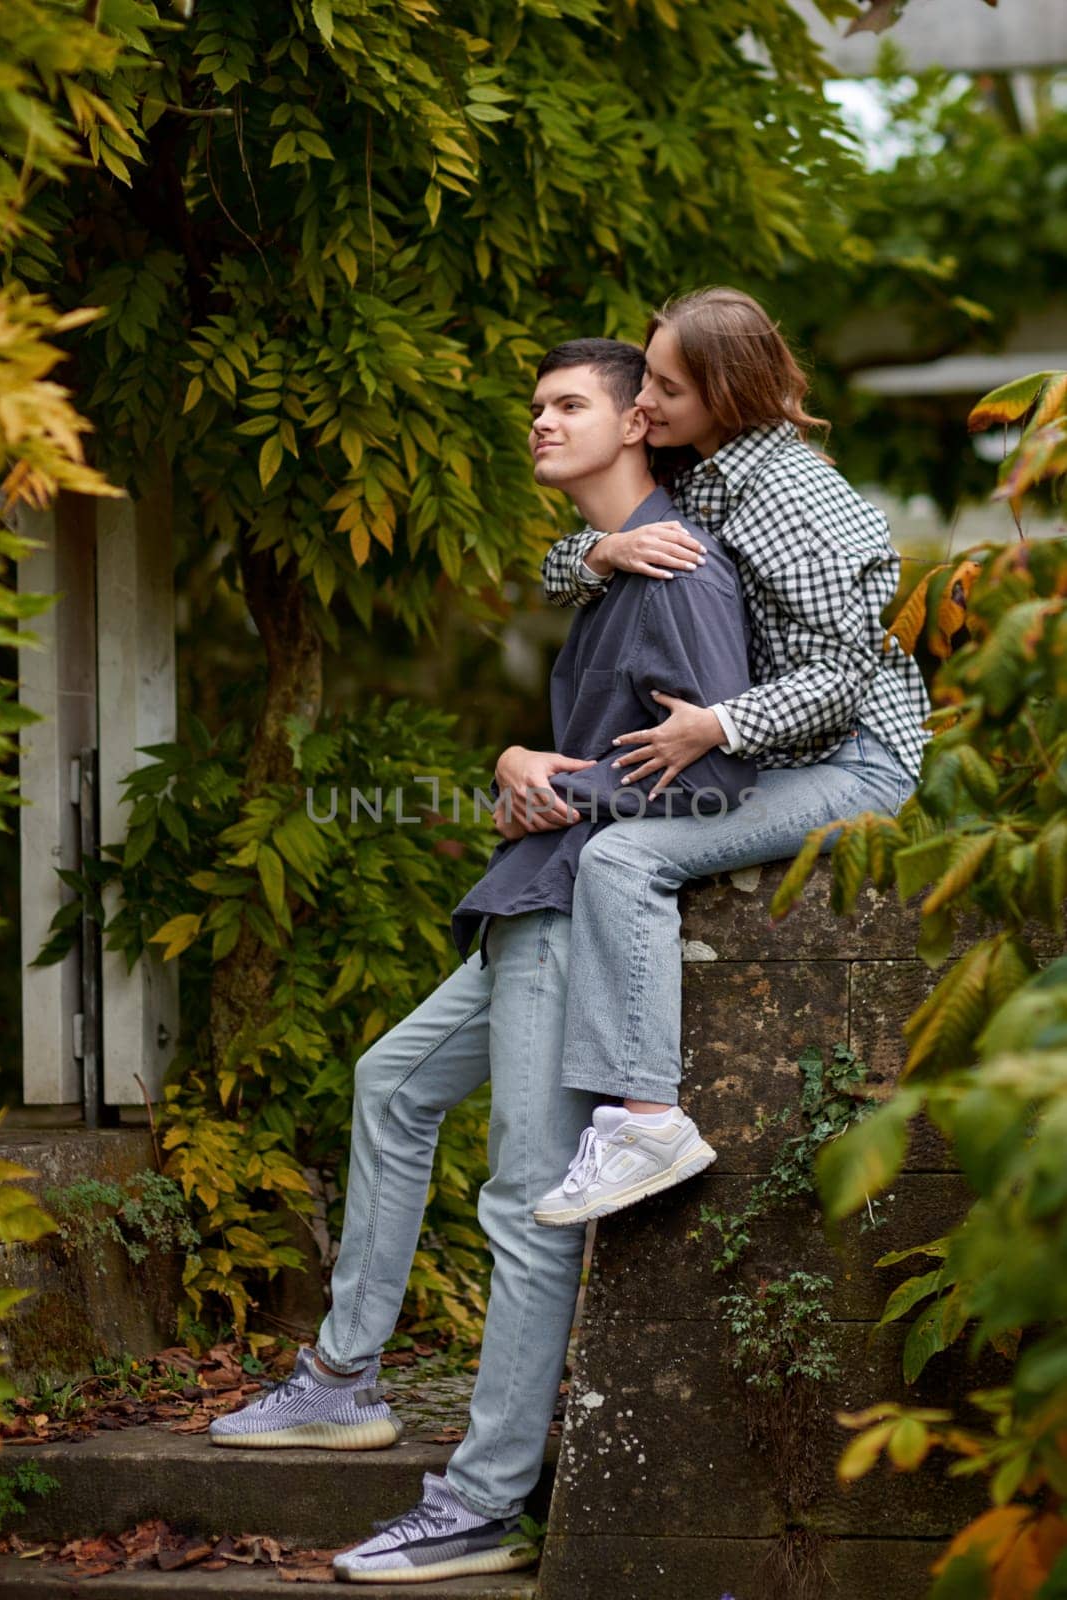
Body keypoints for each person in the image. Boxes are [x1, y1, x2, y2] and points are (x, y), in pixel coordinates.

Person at [207, 336, 754, 1585]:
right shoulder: (614, 567)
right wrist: (529, 773)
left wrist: (551, 777)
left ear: (641, 426)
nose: (541, 425)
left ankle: (485, 1499)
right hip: (535, 898)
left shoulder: (677, 571)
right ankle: (343, 1378)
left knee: (522, 1199)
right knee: (389, 1086)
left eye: (571, 405)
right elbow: (612, 763)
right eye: (536, 407)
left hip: (576, 923)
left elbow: (715, 776)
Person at [496, 288, 929, 1231]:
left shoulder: (791, 498)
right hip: (790, 748)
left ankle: (649, 1118)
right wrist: (604, 552)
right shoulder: (705, 473)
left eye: (665, 388)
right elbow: (553, 568)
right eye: (645, 376)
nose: (642, 404)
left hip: (857, 762)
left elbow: (849, 676)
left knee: (626, 855)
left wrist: (718, 726)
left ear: (726, 393)